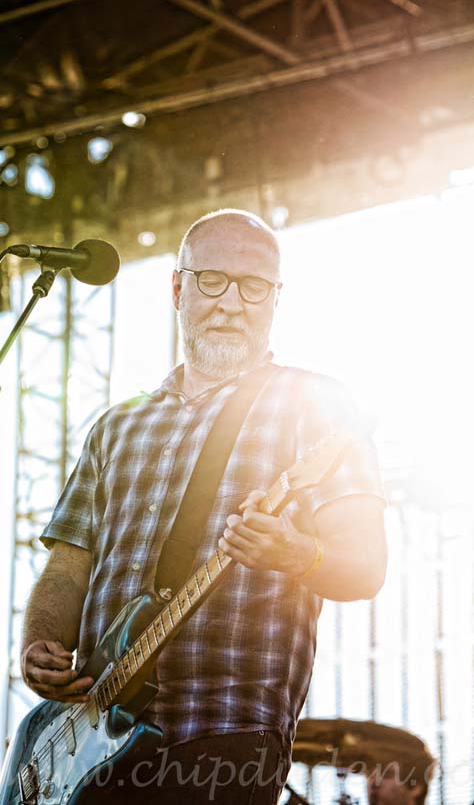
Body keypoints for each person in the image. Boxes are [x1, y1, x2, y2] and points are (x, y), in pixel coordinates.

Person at [19, 209, 387, 803]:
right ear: (176, 288)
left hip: (225, 734)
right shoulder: (117, 427)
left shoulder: (316, 404)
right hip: (87, 743)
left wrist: (297, 555)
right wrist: (40, 645)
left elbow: (366, 565)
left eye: (254, 286)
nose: (232, 303)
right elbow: (66, 569)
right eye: (212, 280)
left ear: (275, 299)